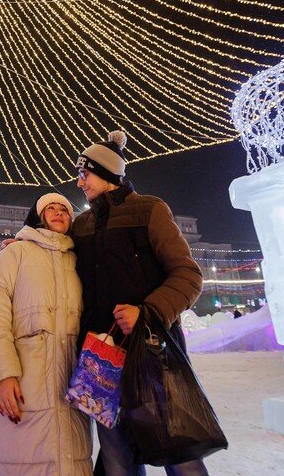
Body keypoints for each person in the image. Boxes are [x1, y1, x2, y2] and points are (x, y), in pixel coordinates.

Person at [73, 131, 207, 476]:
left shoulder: (150, 210)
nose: (79, 181)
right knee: (117, 458)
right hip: (102, 361)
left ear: (105, 173)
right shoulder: (81, 224)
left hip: (152, 356)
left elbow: (187, 277)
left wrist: (146, 313)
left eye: (84, 173)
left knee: (179, 452)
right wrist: (20, 244)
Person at [0, 193, 92, 475]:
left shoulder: (79, 261)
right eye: (49, 208)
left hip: (70, 385)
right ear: (39, 217)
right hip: (25, 386)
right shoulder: (16, 254)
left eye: (64, 209)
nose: (58, 212)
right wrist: (3, 374)